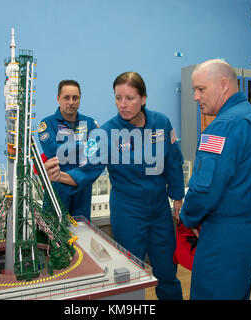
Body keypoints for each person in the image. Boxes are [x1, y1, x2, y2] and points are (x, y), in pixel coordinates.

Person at [45, 72, 184, 300]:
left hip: (159, 210)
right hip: (128, 212)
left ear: (143, 98)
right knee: (127, 274)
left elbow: (173, 161)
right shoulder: (106, 133)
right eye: (118, 98)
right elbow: (86, 169)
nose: (123, 104)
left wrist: (178, 197)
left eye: (129, 98)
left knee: (167, 270)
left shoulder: (161, 123)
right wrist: (60, 176)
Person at [179, 59, 251, 300]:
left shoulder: (223, 127)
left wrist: (188, 218)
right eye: (194, 90)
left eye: (201, 89)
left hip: (226, 238)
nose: (195, 97)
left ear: (223, 84)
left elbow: (204, 189)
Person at [37, 80, 99, 221]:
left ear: (79, 99)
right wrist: (84, 144)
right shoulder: (47, 124)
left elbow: (96, 153)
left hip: (82, 191)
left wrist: (68, 147)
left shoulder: (90, 123)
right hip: (57, 191)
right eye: (66, 97)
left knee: (82, 236)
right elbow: (54, 152)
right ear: (58, 99)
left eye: (75, 98)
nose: (71, 102)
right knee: (52, 237)